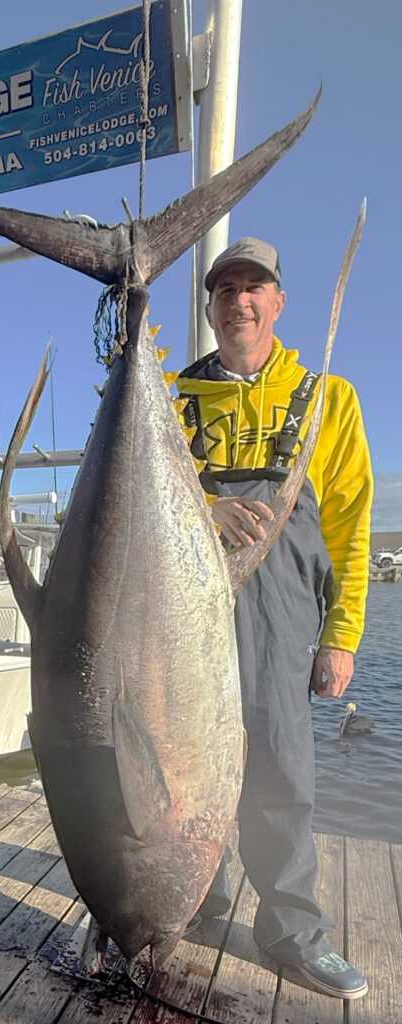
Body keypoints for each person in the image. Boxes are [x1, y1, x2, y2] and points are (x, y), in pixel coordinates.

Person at [176, 238, 373, 1000]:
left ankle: (291, 929)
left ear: (278, 301)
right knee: (182, 761)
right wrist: (203, 506)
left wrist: (341, 634)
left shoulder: (330, 397)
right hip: (185, 614)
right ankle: (194, 898)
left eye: (254, 287)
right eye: (226, 288)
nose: (240, 301)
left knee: (281, 771)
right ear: (209, 306)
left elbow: (350, 527)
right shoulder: (169, 395)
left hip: (282, 615)